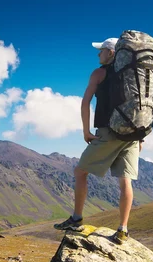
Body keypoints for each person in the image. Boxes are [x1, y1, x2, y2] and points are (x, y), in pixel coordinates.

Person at [53, 37, 143, 244]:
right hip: (133, 134)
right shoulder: (134, 75)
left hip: (109, 131)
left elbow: (85, 103)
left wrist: (86, 131)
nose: (98, 54)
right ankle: (123, 230)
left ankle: (76, 219)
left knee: (80, 172)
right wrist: (141, 136)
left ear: (111, 53)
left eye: (101, 50)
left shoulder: (99, 73)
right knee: (125, 180)